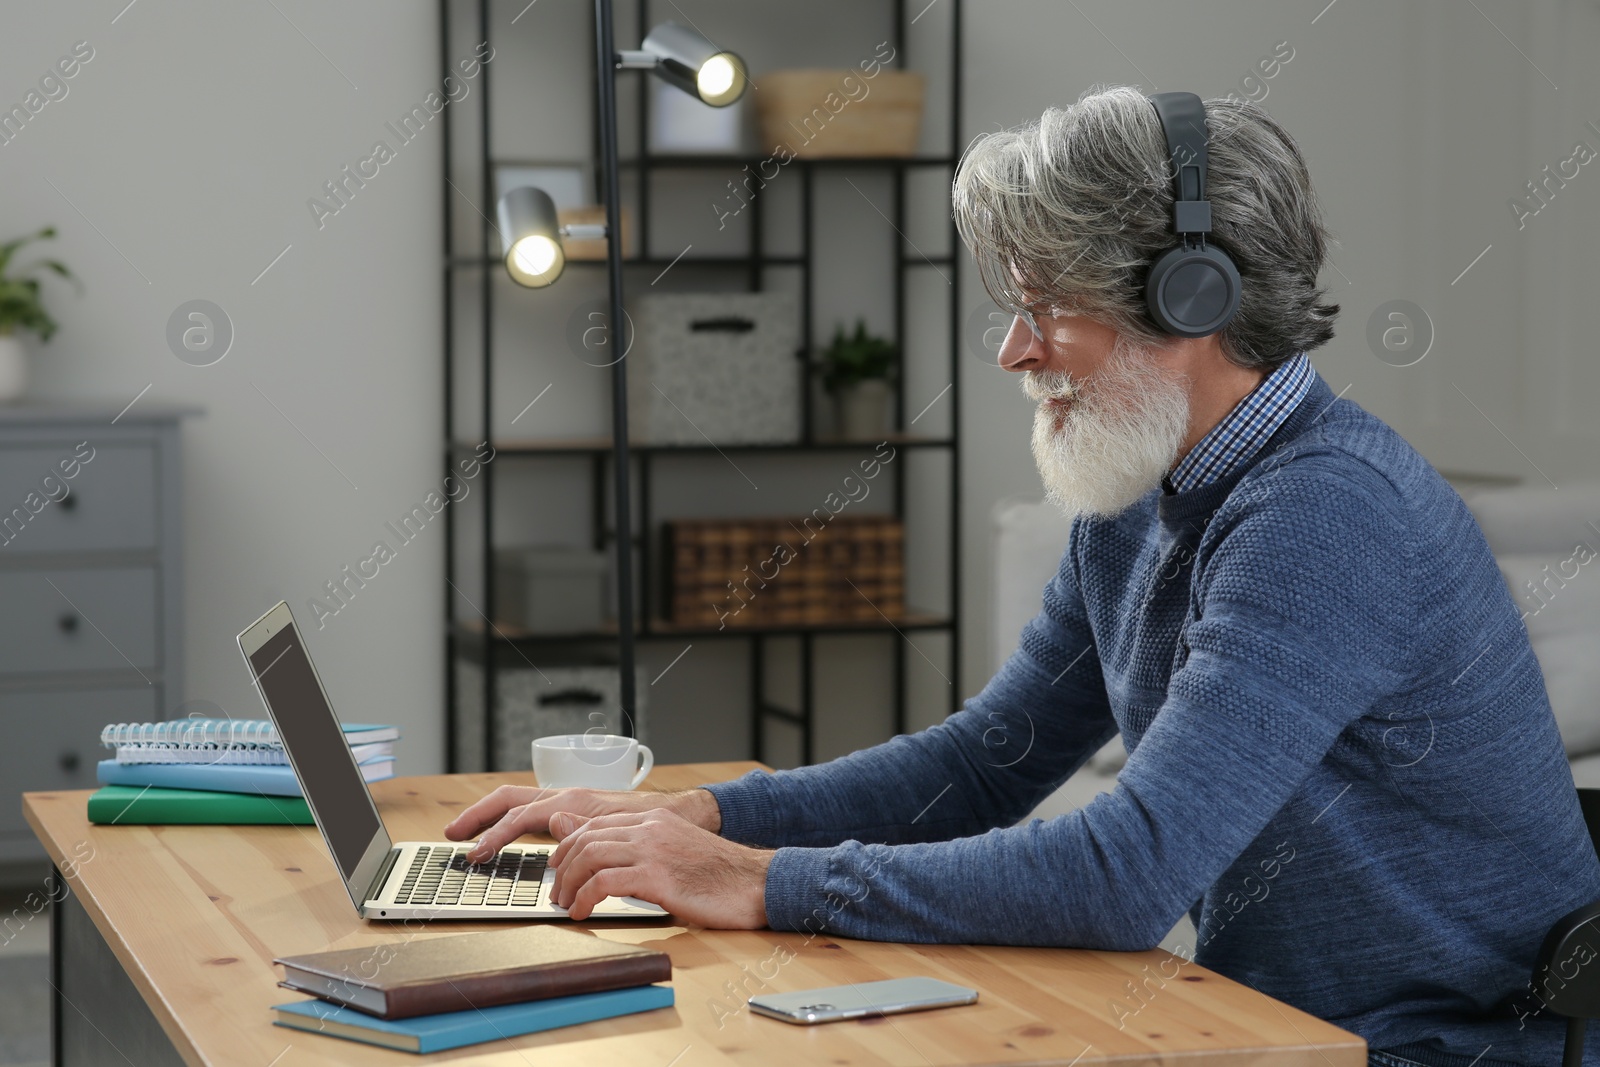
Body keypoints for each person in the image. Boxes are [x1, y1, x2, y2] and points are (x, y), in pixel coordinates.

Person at [446, 85, 1600, 1067]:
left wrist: (759, 878)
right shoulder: (1145, 487)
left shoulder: (1325, 513)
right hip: (1284, 1024)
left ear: (1187, 298)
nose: (1012, 349)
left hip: (1441, 1045)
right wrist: (693, 816)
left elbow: (1126, 871)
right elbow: (980, 764)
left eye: (1047, 305)